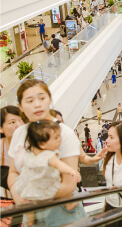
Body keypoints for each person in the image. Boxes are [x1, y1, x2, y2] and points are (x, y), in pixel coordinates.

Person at [7, 79, 83, 226]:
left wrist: (33, 196)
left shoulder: (63, 134)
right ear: (20, 107)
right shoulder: (19, 133)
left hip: (61, 210)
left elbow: (70, 183)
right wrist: (18, 195)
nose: (37, 104)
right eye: (29, 100)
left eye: (42, 98)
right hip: (28, 208)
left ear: (49, 100)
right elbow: (13, 172)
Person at [15, 120, 82, 226]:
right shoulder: (49, 155)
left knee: (29, 207)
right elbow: (59, 165)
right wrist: (71, 171)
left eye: (59, 136)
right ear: (42, 144)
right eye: (55, 138)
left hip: (30, 186)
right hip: (45, 186)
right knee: (66, 194)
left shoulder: (29, 152)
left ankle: (30, 222)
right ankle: (69, 204)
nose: (60, 140)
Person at [0, 106, 23, 201]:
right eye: (12, 122)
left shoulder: (34, 143)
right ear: (1, 129)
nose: (18, 125)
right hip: (8, 203)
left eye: (21, 120)